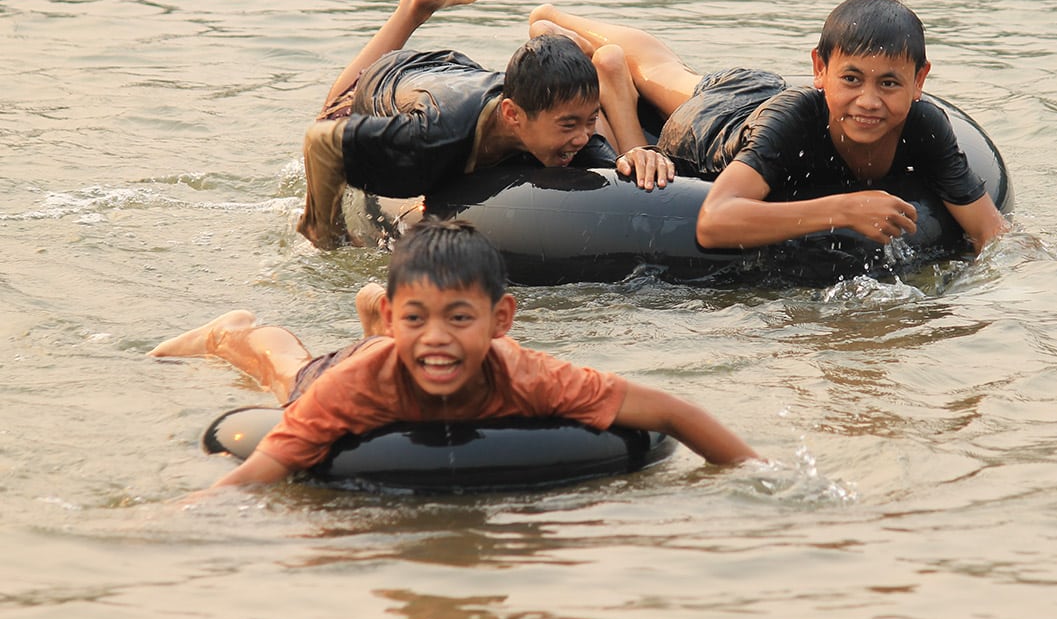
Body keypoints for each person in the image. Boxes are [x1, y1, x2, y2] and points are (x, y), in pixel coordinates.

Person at [150, 217, 759, 492]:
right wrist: (192, 513)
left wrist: (760, 476)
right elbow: (264, 466)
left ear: (501, 321)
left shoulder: (531, 375)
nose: (439, 334)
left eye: (460, 318)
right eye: (417, 317)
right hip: (357, 371)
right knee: (287, 370)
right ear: (399, 316)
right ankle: (229, 331)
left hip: (394, 351)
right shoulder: (354, 388)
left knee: (411, 347)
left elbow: (674, 413)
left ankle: (377, 320)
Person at [528, 0, 1009, 253]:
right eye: (851, 79)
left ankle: (610, 68)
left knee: (674, 71)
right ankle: (562, 26)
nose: (869, 101)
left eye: (889, 83)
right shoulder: (796, 122)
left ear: (919, 80)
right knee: (667, 78)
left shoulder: (926, 126)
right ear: (819, 70)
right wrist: (842, 210)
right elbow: (715, 221)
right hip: (715, 119)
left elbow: (991, 231)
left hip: (761, 93)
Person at [298, 0, 676, 249]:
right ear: (513, 115)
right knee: (333, 110)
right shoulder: (428, 137)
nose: (582, 137)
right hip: (397, 77)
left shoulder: (571, 132)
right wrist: (324, 231)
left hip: (464, 74)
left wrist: (638, 155)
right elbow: (322, 141)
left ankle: (556, 42)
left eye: (591, 120)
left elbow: (615, 180)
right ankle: (416, 5)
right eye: (568, 125)